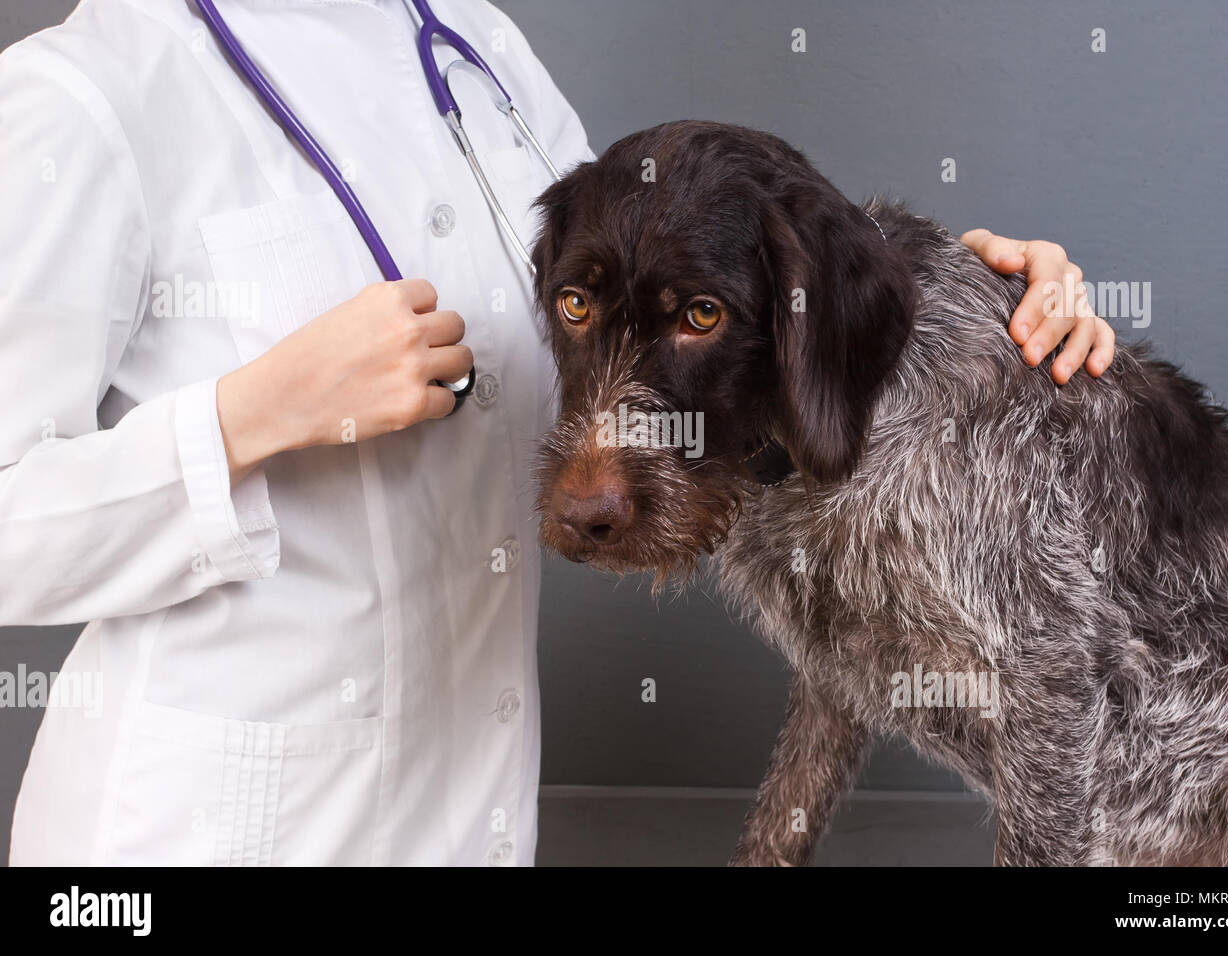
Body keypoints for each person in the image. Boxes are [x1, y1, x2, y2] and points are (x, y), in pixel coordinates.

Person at [0, 0, 1114, 866]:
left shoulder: (476, 49)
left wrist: (955, 307)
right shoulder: (86, 93)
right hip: (202, 838)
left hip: (471, 822)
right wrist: (253, 414)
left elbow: (664, 285)